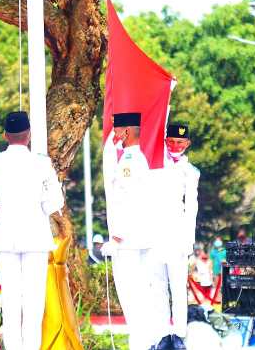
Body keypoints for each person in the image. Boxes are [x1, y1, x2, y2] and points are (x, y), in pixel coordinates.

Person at [0, 111, 64, 350]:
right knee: (33, 302)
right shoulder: (42, 163)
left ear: (5, 135)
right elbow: (55, 202)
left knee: (10, 301)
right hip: (35, 236)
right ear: (28, 135)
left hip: (6, 234)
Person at [101, 111, 156, 350]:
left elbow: (127, 200)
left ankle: (140, 345)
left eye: (116, 130)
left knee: (131, 297)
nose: (114, 134)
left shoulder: (131, 163)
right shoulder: (134, 159)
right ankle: (143, 343)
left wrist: (117, 235)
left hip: (128, 241)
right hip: (136, 239)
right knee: (138, 296)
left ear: (125, 131)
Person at [149, 122, 200, 350]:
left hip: (177, 236)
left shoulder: (191, 172)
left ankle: (179, 334)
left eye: (180, 142)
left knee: (178, 287)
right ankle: (162, 334)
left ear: (187, 144)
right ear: (165, 141)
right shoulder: (155, 165)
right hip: (156, 234)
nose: (175, 145)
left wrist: (188, 241)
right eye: (171, 141)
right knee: (158, 286)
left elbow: (192, 208)